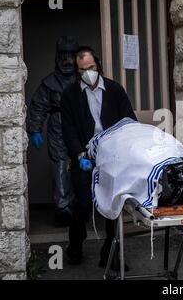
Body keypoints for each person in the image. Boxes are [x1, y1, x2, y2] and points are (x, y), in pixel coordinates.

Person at [60, 46, 137, 266]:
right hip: (84, 156)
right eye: (83, 69)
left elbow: (128, 121)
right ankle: (75, 245)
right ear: (77, 71)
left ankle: (110, 255)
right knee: (83, 204)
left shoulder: (115, 90)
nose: (88, 72)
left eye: (92, 67)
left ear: (99, 65)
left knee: (114, 206)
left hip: (112, 156)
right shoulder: (70, 95)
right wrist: (78, 154)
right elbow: (68, 128)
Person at [26, 36, 79, 226]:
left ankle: (82, 205)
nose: (67, 60)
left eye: (70, 56)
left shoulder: (84, 78)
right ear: (57, 57)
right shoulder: (49, 83)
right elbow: (38, 106)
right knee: (60, 166)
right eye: (63, 55)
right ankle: (63, 208)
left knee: (82, 164)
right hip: (58, 126)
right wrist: (35, 129)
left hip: (81, 126)